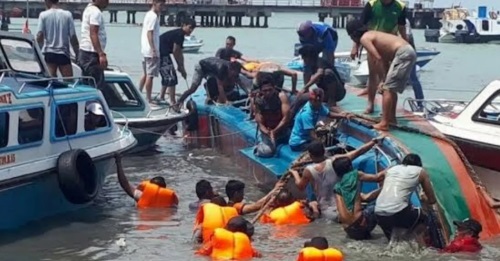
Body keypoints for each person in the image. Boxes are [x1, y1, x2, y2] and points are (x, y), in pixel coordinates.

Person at [346, 19, 416, 131]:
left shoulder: (365, 38)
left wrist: (382, 82)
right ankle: (391, 119)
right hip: (408, 51)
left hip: (403, 53)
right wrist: (384, 79)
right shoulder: (372, 34)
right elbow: (383, 59)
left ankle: (384, 123)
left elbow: (377, 58)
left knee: (387, 89)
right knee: (391, 88)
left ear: (354, 34)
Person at [290, 138, 382, 222]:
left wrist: (295, 174)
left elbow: (300, 186)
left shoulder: (308, 170)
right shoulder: (336, 161)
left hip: (327, 213)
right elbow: (358, 152)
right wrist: (373, 142)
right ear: (324, 150)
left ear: (310, 155)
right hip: (345, 208)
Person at [350, 0, 408, 113]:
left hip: (390, 45)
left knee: (389, 79)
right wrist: (355, 46)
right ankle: (370, 104)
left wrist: (405, 43)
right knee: (373, 75)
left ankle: (388, 110)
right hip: (373, 43)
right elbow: (360, 28)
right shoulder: (372, 4)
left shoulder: (400, 7)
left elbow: (402, 27)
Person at [374, 153, 437, 242]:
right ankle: (417, 246)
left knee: (392, 243)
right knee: (423, 218)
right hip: (398, 211)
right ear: (419, 164)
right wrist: (423, 198)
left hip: (378, 211)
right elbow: (432, 200)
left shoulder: (391, 170)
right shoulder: (421, 171)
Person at [333, 156, 384, 240]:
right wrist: (390, 169)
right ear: (350, 167)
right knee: (381, 204)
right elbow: (378, 178)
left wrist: (382, 189)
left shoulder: (337, 187)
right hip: (361, 223)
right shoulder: (355, 174)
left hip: (349, 229)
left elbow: (365, 198)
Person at [155, 18, 196, 104]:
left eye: (193, 29)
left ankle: (162, 97)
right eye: (190, 27)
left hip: (162, 53)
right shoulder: (179, 34)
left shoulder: (181, 35)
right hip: (161, 53)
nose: (191, 30)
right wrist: (179, 66)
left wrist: (182, 67)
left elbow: (180, 53)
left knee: (167, 77)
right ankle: (173, 102)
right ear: (184, 25)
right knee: (172, 78)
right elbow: (175, 51)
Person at [176, 57, 243, 107]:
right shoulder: (221, 69)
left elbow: (240, 81)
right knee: (193, 88)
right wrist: (226, 101)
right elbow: (220, 86)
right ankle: (179, 101)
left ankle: (207, 86)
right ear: (230, 70)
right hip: (201, 67)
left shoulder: (233, 68)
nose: (234, 76)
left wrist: (248, 93)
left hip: (211, 69)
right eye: (233, 74)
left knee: (225, 81)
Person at [36, 0, 79, 78]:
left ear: (47, 1)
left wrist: (37, 52)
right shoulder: (67, 15)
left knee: (51, 81)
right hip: (63, 53)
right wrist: (78, 54)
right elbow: (73, 37)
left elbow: (39, 35)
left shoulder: (43, 15)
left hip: (49, 53)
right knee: (68, 82)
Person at [254, 74, 291, 158]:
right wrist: (267, 132)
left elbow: (286, 118)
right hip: (267, 131)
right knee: (267, 152)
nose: (268, 92)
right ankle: (258, 146)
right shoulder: (258, 100)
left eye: (270, 90)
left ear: (274, 87)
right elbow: (259, 122)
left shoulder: (281, 97)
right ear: (260, 90)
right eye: (265, 90)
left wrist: (275, 132)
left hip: (282, 130)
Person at [196, 216, 262, 259]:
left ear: (226, 228)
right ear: (244, 233)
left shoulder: (217, 240)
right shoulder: (245, 242)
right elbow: (258, 255)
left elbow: (201, 253)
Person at [138, 0, 164, 104]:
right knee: (150, 75)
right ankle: (148, 98)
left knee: (145, 73)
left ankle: (139, 93)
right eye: (161, 4)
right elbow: (150, 33)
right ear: (154, 3)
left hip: (145, 50)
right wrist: (153, 49)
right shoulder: (153, 16)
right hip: (150, 50)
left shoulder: (148, 14)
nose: (162, 7)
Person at [78, 0, 108, 90]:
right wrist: (101, 54)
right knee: (96, 86)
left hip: (84, 52)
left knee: (86, 84)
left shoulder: (88, 9)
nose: (108, 2)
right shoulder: (95, 12)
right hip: (92, 54)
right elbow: (93, 33)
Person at [405, 18, 424, 110]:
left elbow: (407, 37)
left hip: (408, 51)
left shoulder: (404, 21)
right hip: (396, 51)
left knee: (413, 79)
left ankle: (420, 104)